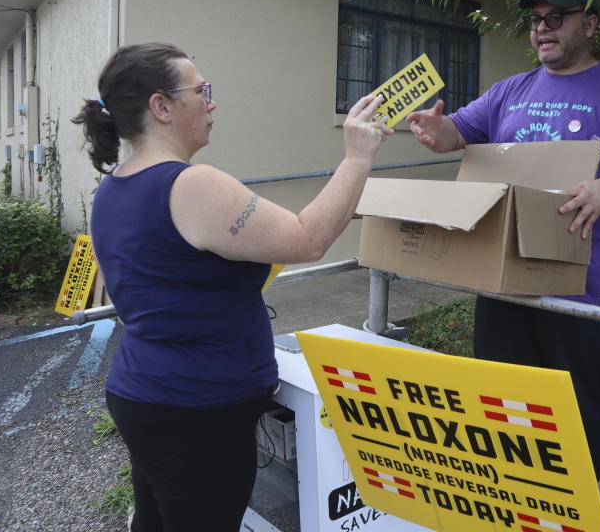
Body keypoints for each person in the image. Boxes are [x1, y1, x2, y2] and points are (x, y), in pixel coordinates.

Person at [72, 42, 392, 532]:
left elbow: (170, 275)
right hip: (197, 409)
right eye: (201, 90)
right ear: (161, 106)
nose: (212, 102)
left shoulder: (115, 186)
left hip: (148, 393)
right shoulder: (190, 185)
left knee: (156, 522)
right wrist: (357, 156)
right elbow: (307, 240)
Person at [405, 0, 600, 480]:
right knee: (503, 401)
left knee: (574, 406)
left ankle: (574, 502)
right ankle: (514, 493)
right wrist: (433, 128)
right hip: (505, 277)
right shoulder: (512, 89)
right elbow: (454, 133)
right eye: (535, 21)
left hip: (581, 285)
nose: (542, 30)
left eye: (556, 18)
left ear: (589, 24)